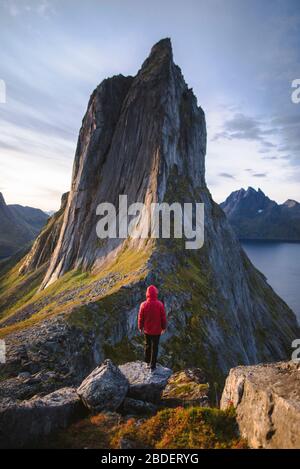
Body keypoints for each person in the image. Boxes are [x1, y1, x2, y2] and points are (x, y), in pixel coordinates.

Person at [138, 285, 167, 372]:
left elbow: (140, 317)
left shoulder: (143, 304)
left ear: (147, 294)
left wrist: (140, 327)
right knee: (155, 347)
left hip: (147, 330)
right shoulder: (160, 304)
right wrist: (164, 327)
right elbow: (163, 317)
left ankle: (147, 363)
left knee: (147, 345)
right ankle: (153, 366)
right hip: (157, 331)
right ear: (156, 294)